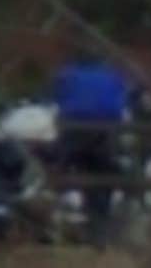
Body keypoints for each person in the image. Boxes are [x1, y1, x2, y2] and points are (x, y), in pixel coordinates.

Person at [51, 54, 136, 232]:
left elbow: (57, 95)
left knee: (68, 164)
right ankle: (100, 222)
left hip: (75, 126)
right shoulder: (113, 75)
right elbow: (125, 96)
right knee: (102, 171)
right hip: (106, 128)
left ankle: (57, 190)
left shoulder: (68, 73)